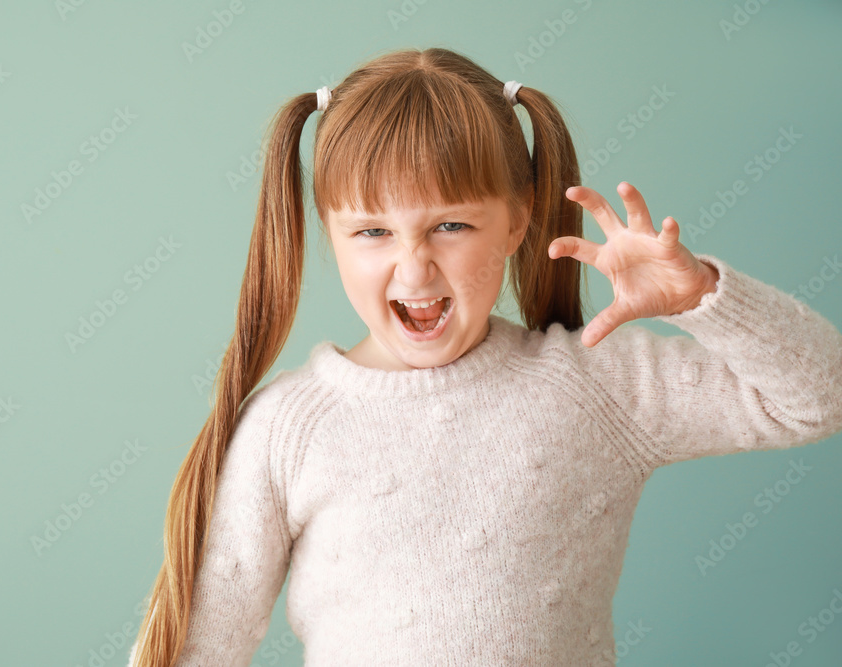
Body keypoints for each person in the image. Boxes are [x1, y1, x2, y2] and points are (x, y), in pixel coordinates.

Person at [126, 47, 842, 666]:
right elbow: (200, 645)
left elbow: (820, 396)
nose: (413, 268)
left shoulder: (594, 383)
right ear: (328, 232)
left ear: (517, 220)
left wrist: (700, 296)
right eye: (373, 231)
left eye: (450, 224)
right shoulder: (287, 426)